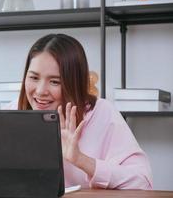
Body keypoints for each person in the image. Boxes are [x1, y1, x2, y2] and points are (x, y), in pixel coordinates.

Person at [12, 34, 153, 189]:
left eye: (54, 81)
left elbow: (142, 183)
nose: (40, 91)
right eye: (34, 77)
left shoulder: (102, 113)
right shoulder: (11, 112)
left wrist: (80, 159)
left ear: (74, 83)